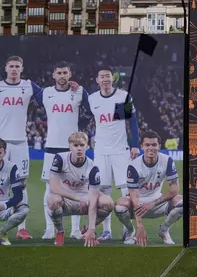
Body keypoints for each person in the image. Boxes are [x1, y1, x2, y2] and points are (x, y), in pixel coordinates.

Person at [0, 55, 78, 239]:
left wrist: (69, 84)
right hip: (0, 142)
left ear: (21, 68)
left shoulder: (29, 86)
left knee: (21, 184)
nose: (13, 69)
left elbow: (54, 94)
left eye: (17, 66)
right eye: (11, 66)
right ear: (5, 68)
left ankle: (21, 229)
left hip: (19, 143)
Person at [88, 65, 140, 241]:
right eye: (101, 76)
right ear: (97, 80)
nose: (105, 79)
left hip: (120, 150)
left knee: (127, 191)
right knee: (103, 192)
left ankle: (129, 230)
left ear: (113, 78)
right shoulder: (92, 98)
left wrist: (135, 145)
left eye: (108, 76)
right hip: (101, 151)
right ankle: (107, 231)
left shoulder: (122, 97)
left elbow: (132, 122)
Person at [41, 61, 91, 240]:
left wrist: (80, 126)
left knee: (76, 188)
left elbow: (92, 111)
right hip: (52, 146)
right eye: (59, 73)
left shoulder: (79, 91)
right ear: (53, 75)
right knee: (49, 188)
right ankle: (50, 229)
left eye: (65, 73)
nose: (62, 76)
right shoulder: (46, 92)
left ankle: (75, 230)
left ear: (70, 74)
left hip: (72, 146)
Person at [114, 130, 182, 246]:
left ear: (159, 146)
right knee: (119, 205)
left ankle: (164, 230)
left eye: (154, 145)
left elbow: (175, 189)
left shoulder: (167, 161)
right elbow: (134, 196)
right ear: (142, 146)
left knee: (182, 201)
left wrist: (153, 203)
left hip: (158, 204)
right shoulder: (134, 166)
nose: (151, 148)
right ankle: (130, 231)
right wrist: (140, 226)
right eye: (147, 145)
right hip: (137, 206)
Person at [46, 131, 113, 246]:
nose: (79, 149)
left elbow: (93, 199)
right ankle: (60, 231)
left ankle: (86, 230)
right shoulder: (60, 159)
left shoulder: (92, 167)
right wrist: (77, 198)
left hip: (86, 200)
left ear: (87, 146)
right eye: (75, 145)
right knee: (52, 200)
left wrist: (91, 229)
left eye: (82, 145)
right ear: (69, 146)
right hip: (66, 199)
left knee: (108, 203)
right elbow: (54, 188)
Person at [0, 138, 30, 245]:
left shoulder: (11, 167)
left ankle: (2, 233)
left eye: (0, 152)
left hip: (4, 206)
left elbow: (18, 196)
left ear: (4, 153)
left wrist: (4, 205)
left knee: (24, 210)